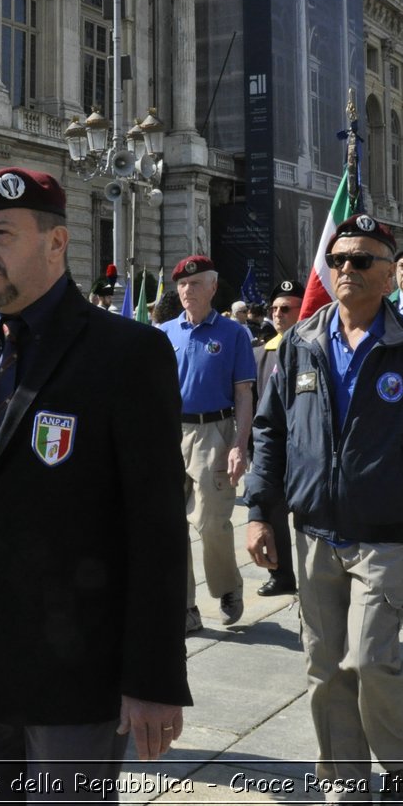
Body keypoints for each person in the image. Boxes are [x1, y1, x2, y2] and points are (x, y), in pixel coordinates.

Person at [0, 166, 191, 802]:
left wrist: (154, 676)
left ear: (57, 244)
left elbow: (157, 524)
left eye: (2, 233)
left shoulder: (126, 352)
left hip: (73, 664)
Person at [245, 212, 403, 804]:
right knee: (324, 667)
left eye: (362, 259)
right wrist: (257, 512)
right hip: (314, 529)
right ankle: (344, 780)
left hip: (385, 534)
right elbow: (270, 431)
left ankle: (399, 769)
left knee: (372, 658)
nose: (347, 268)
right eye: (339, 259)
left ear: (388, 272)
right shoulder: (301, 341)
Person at [160, 253, 257, 633]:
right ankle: (185, 607)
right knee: (170, 525)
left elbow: (244, 394)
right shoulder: (166, 332)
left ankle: (228, 588)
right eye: (182, 284)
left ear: (213, 288)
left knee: (211, 522)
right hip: (171, 433)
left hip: (214, 432)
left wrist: (240, 443)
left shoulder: (232, 333)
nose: (187, 290)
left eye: (195, 283)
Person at [250, 278, 304, 598]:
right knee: (271, 511)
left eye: (286, 308)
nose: (278, 314)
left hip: (306, 447)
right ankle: (281, 574)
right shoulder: (264, 351)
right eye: (274, 309)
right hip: (275, 448)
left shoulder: (313, 347)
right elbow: (258, 402)